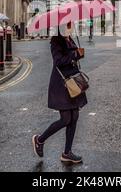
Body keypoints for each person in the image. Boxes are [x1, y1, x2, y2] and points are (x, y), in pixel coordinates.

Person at [32, 21, 87, 164]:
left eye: (71, 23)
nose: (71, 26)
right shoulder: (56, 39)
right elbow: (58, 61)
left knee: (74, 116)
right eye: (69, 24)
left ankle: (67, 153)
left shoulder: (69, 38)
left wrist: (79, 54)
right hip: (62, 84)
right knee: (65, 119)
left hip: (73, 82)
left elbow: (72, 57)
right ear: (62, 26)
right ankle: (39, 140)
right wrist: (75, 55)